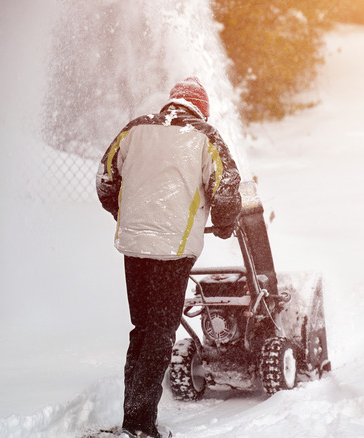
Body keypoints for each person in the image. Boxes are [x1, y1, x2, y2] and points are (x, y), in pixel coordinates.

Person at [96, 77, 242, 438]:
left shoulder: (135, 129)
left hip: (134, 244)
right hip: (173, 249)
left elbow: (105, 178)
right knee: (161, 332)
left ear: (172, 103)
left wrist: (125, 215)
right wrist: (225, 224)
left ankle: (133, 420)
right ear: (201, 110)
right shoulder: (205, 135)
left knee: (142, 329)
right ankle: (140, 426)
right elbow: (226, 186)